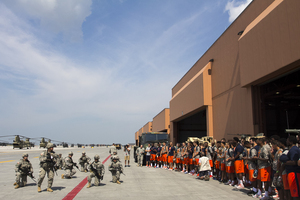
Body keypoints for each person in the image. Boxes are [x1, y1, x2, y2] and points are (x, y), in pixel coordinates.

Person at [281, 135, 300, 200]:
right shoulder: (292, 149)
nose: (286, 141)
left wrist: (284, 162)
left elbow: (294, 162)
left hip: (294, 173)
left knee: (295, 193)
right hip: (291, 173)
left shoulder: (293, 149)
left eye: (288, 140)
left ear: (291, 142)